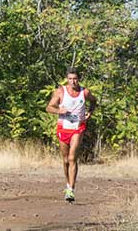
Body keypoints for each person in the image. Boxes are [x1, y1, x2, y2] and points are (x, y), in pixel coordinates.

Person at [46, 67, 97, 202]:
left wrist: (90, 112)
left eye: (75, 79)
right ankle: (67, 184)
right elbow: (49, 107)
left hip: (78, 128)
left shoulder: (84, 92)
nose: (72, 82)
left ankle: (71, 190)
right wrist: (59, 110)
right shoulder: (61, 91)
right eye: (70, 79)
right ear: (67, 79)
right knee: (65, 160)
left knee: (72, 157)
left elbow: (94, 100)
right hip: (63, 128)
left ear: (78, 79)